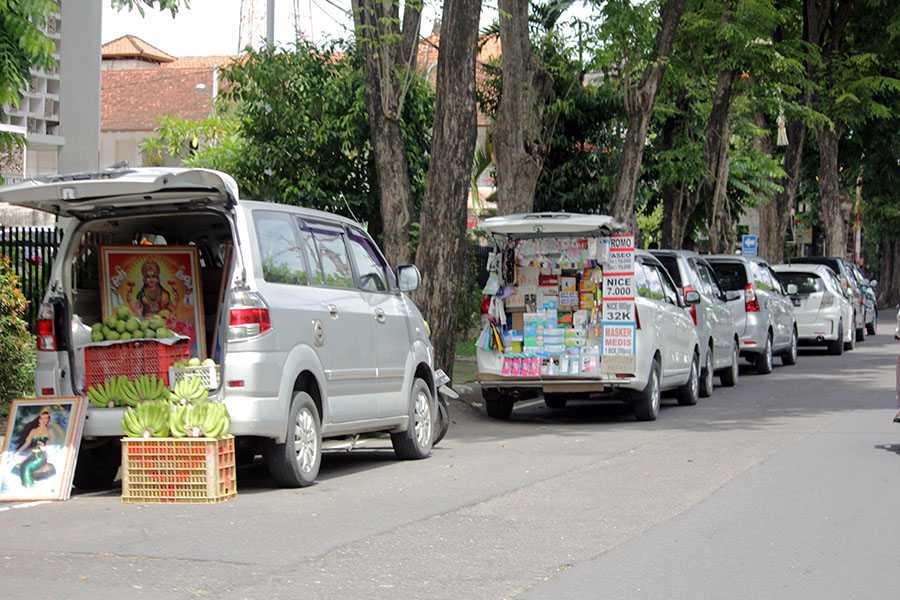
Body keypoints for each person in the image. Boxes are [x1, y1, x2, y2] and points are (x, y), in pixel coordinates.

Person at [11, 408, 62, 487]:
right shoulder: (33, 431)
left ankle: (28, 486)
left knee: (26, 466)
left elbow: (53, 443)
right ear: (39, 419)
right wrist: (17, 452)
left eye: (47, 418)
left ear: (48, 420)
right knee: (22, 465)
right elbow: (26, 443)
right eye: (42, 418)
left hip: (41, 456)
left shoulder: (49, 430)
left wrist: (45, 448)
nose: (44, 420)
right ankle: (27, 486)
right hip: (32, 455)